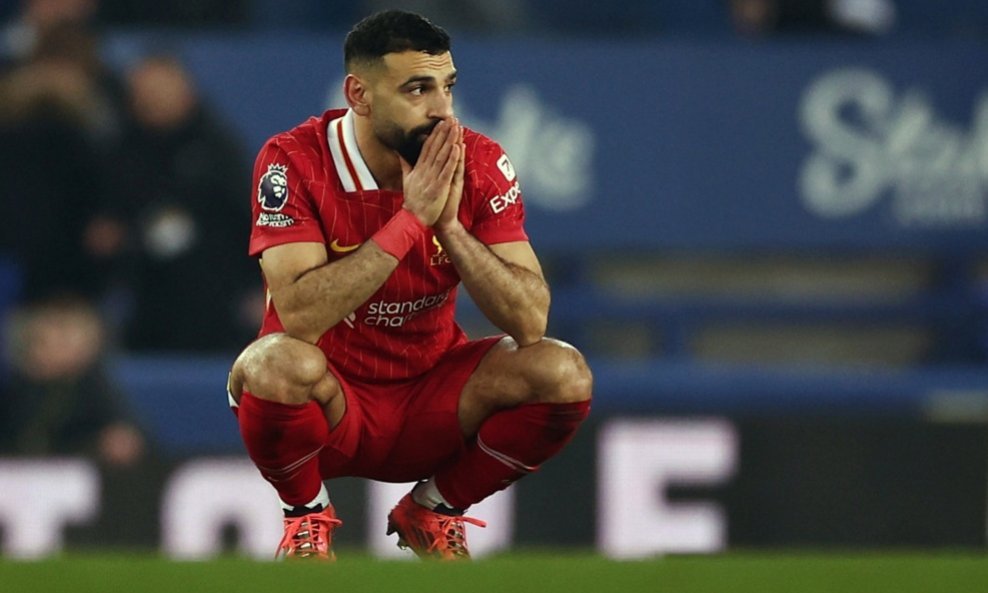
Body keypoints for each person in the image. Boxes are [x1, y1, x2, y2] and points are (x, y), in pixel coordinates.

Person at [227, 10, 593, 561]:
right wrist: (411, 220)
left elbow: (529, 320)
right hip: (330, 401)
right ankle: (305, 518)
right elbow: (299, 315)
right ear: (359, 94)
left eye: (448, 87)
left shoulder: (479, 161)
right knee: (274, 363)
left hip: (431, 398)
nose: (442, 109)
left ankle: (435, 509)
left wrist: (450, 228)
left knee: (563, 372)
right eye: (418, 89)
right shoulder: (293, 160)